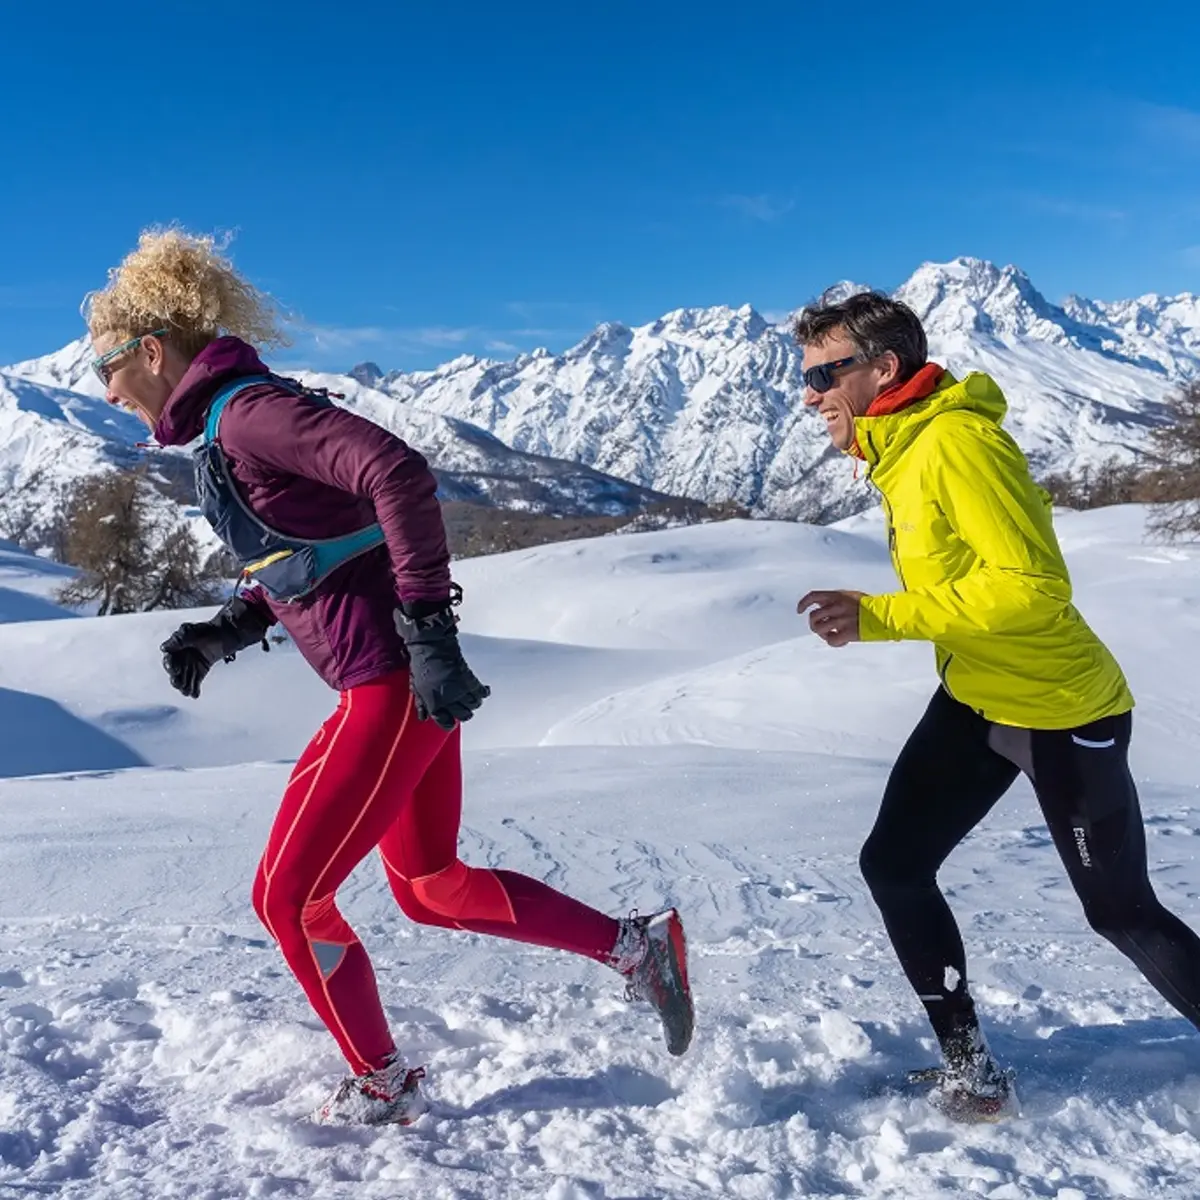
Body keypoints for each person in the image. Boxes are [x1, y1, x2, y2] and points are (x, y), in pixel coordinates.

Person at [84, 229, 693, 1126]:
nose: (106, 390)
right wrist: (227, 628)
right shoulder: (227, 426)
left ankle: (384, 1080)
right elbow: (312, 550)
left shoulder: (245, 412)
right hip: (390, 681)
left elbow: (395, 473)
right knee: (430, 885)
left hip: (391, 683)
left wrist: (429, 631)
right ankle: (637, 949)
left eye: (108, 367)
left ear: (150, 350)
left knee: (289, 900)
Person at [794, 290, 1200, 1122]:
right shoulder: (900, 446)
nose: (809, 394)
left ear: (884, 369)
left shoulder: (955, 443)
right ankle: (972, 1074)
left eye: (825, 373)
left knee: (1120, 911)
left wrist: (879, 615)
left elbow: (1032, 589)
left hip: (1061, 711)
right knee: (895, 864)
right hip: (979, 695)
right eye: (803, 377)